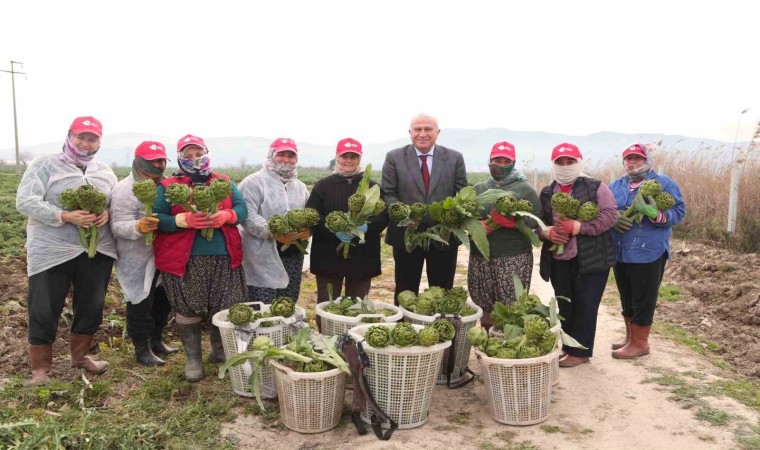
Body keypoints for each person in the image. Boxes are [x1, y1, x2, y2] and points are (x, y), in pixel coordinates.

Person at [17, 116, 116, 384]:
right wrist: (64, 215)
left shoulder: (104, 171)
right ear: (69, 136)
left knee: (91, 304)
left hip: (96, 250)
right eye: (80, 136)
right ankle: (41, 369)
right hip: (51, 249)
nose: (86, 143)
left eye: (92, 138)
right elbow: (25, 200)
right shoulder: (45, 164)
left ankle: (80, 357)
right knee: (44, 306)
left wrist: (105, 213)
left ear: (99, 141)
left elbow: (112, 203)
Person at [153, 134, 248, 382]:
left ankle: (219, 351)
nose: (194, 159)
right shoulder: (168, 186)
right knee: (188, 307)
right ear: (179, 158)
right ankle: (193, 358)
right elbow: (156, 218)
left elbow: (242, 209)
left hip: (225, 256)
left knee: (224, 306)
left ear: (207, 153)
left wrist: (227, 215)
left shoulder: (224, 182)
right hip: (185, 260)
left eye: (198, 153)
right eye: (188, 155)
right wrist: (181, 220)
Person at [538, 143, 617, 367]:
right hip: (559, 260)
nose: (565, 166)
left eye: (570, 161)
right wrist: (547, 232)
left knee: (585, 304)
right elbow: (538, 222)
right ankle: (569, 346)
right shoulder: (547, 192)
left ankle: (581, 352)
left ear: (579, 162)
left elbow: (611, 216)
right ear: (553, 164)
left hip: (590, 260)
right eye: (559, 162)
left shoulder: (595, 187)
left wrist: (579, 227)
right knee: (566, 305)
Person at [609, 143, 685, 359]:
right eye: (628, 158)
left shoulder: (663, 183)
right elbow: (604, 209)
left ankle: (640, 343)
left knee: (644, 297)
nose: (632, 162)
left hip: (648, 250)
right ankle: (630, 337)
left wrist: (655, 214)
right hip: (621, 250)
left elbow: (679, 211)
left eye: (638, 158)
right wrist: (613, 219)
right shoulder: (616, 185)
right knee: (627, 294)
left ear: (647, 160)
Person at [382, 114, 468, 304]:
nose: (422, 134)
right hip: (407, 236)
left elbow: (462, 195)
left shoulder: (454, 158)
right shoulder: (394, 157)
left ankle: (440, 330)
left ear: (437, 133)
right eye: (417, 129)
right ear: (410, 133)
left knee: (442, 292)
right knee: (405, 291)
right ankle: (404, 330)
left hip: (444, 237)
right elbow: (388, 194)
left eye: (428, 129)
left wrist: (450, 219)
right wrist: (405, 217)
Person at [110, 141, 178, 367]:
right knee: (140, 302)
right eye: (152, 161)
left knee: (163, 301)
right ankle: (142, 349)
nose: (158, 165)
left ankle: (157, 341)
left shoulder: (166, 186)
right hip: (136, 257)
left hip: (163, 253)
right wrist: (137, 227)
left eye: (161, 160)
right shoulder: (124, 190)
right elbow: (117, 225)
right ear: (138, 161)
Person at [306, 138, 389, 305]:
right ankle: (326, 332)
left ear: (360, 159)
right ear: (337, 157)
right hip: (328, 254)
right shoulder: (323, 186)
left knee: (358, 305)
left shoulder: (372, 187)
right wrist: (333, 229)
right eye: (345, 156)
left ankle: (355, 330)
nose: (348, 161)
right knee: (327, 303)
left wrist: (365, 227)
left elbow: (383, 215)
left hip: (362, 255)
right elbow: (313, 215)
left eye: (353, 156)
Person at [469, 142, 541, 331]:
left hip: (513, 256)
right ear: (489, 162)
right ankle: (486, 339)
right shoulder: (479, 188)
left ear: (513, 162)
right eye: (496, 160)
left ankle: (506, 345)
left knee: (510, 306)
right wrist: (477, 226)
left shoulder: (525, 189)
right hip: (481, 255)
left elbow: (537, 220)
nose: (500, 165)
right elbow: (465, 217)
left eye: (505, 160)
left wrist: (514, 222)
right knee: (484, 303)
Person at [238, 138, 309, 303]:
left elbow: (309, 214)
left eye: (291, 156)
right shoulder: (254, 182)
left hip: (292, 254)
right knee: (262, 303)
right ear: (271, 155)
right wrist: (273, 232)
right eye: (281, 154)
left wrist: (308, 229)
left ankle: (285, 328)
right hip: (261, 254)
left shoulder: (300, 187)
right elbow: (248, 214)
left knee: (287, 300)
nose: (286, 159)